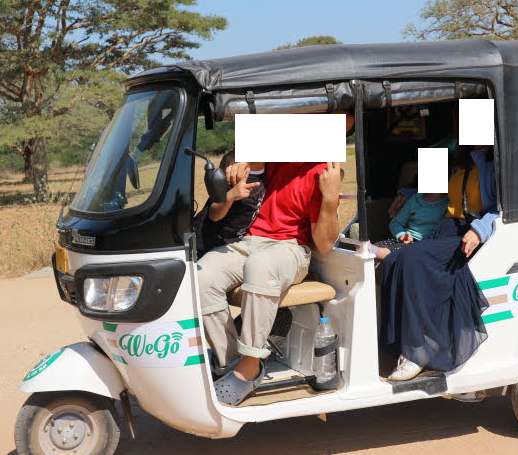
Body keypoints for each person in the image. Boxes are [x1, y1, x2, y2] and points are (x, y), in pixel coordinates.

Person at [197, 113, 354, 405]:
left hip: (291, 248)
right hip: (249, 242)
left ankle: (249, 366)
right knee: (202, 275)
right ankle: (231, 363)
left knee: (261, 266)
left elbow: (323, 243)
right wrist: (236, 158)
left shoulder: (323, 172)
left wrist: (331, 199)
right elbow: (242, 152)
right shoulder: (275, 154)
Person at [380, 144, 497, 381]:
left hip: (468, 232)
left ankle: (417, 351)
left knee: (410, 258)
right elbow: (437, 188)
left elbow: (502, 207)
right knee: (395, 259)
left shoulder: (495, 162)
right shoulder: (461, 158)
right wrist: (407, 192)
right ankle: (410, 341)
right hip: (444, 228)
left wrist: (479, 231)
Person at [193, 151, 266, 256]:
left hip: (229, 244)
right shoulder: (234, 176)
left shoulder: (264, 170)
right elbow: (214, 214)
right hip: (205, 244)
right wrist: (232, 195)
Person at [370, 191, 448, 260]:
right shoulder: (415, 200)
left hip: (424, 244)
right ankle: (369, 250)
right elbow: (396, 222)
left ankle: (375, 252)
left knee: (403, 252)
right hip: (405, 238)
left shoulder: (448, 204)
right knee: (380, 245)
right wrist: (401, 235)